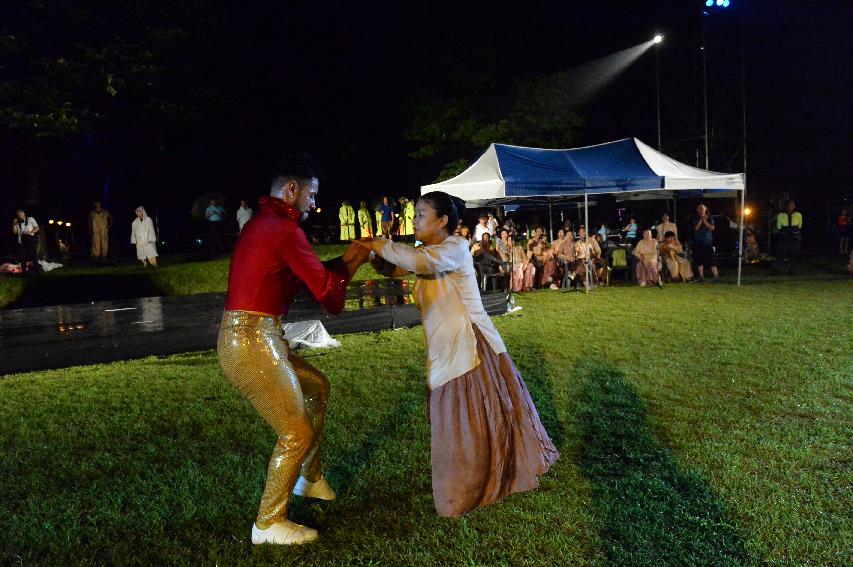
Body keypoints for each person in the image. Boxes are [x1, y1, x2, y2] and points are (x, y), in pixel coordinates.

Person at [355, 191, 558, 518]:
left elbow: (419, 263)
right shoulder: (430, 250)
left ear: (443, 221)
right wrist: (376, 256)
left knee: (466, 419)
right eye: (415, 214)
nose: (415, 220)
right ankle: (475, 478)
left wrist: (378, 244)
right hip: (444, 347)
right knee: (463, 420)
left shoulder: (455, 247)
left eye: (421, 214)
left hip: (470, 346)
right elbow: (403, 267)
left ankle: (465, 490)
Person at [217, 155, 370, 546]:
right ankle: (268, 523)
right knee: (295, 431)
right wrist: (356, 259)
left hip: (257, 335)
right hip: (251, 340)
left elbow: (309, 278)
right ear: (292, 190)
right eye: (312, 195)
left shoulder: (265, 225)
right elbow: (328, 296)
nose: (314, 204)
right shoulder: (283, 229)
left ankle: (311, 479)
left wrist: (353, 257)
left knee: (317, 387)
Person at [690, 203, 720, 283]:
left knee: (711, 260)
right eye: (699, 208)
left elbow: (712, 227)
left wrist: (705, 221)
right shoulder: (695, 218)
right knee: (699, 260)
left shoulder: (710, 218)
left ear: (705, 209)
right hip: (698, 242)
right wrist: (701, 220)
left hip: (708, 242)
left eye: (702, 208)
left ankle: (716, 276)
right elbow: (696, 228)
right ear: (697, 210)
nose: (701, 210)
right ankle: (701, 277)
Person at [773, 199, 803, 274]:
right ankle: (777, 269)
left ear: (794, 206)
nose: (791, 206)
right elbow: (779, 225)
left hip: (794, 234)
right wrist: (782, 231)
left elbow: (800, 225)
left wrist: (795, 231)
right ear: (786, 206)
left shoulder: (798, 214)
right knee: (781, 252)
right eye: (789, 204)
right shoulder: (781, 215)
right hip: (784, 234)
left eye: (792, 205)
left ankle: (791, 270)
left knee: (793, 253)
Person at [12, 208, 41, 274]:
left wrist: (30, 232)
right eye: (18, 213)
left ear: (24, 213)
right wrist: (13, 224)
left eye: (20, 212)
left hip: (29, 239)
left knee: (33, 255)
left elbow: (37, 228)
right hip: (20, 241)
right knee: (22, 256)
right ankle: (24, 271)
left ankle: (36, 270)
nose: (19, 214)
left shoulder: (30, 219)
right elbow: (14, 232)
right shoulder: (17, 222)